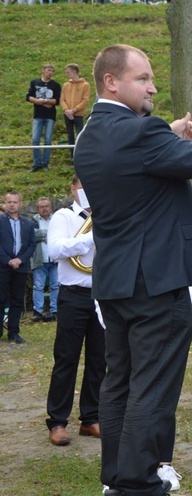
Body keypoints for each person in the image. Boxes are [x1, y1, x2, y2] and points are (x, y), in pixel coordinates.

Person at [73, 44, 192, 496]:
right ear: (111, 82)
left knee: (120, 383)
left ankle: (118, 479)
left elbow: (137, 160)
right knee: (151, 388)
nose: (153, 85)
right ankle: (138, 483)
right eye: (143, 78)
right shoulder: (141, 134)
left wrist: (165, 133)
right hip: (156, 283)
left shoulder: (91, 135)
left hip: (116, 283)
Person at [45, 175, 106, 447]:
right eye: (83, 186)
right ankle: (57, 421)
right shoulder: (63, 216)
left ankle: (90, 418)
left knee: (99, 360)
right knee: (66, 359)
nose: (88, 191)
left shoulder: (109, 214)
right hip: (73, 295)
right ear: (73, 188)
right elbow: (55, 250)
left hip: (103, 295)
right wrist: (91, 239)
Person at [0, 191, 36, 344]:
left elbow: (31, 245)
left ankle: (13, 332)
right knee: (1, 299)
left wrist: (20, 259)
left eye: (15, 202)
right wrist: (8, 260)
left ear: (21, 204)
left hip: (20, 267)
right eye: (9, 202)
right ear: (5, 204)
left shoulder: (28, 223)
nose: (12, 204)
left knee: (16, 300)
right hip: (3, 265)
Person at [26, 63, 61, 172]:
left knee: (47, 139)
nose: (50, 72)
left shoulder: (55, 85)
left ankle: (45, 163)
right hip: (38, 115)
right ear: (43, 70)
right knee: (35, 139)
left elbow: (57, 101)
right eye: (48, 70)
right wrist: (37, 101)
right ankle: (36, 163)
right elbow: (28, 97)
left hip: (50, 116)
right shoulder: (35, 82)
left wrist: (45, 101)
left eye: (52, 71)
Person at [31, 197, 59, 322]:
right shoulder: (32, 222)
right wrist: (47, 234)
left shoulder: (57, 220)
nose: (44, 208)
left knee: (56, 286)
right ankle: (38, 311)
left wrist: (40, 234)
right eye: (41, 207)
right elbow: (30, 237)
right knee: (38, 286)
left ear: (51, 207)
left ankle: (55, 310)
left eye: (46, 206)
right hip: (39, 259)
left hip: (55, 259)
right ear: (37, 209)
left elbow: (59, 235)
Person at [60, 63, 91, 158]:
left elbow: (85, 100)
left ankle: (81, 156)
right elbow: (62, 99)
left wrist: (74, 110)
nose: (67, 74)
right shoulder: (66, 85)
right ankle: (72, 157)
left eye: (68, 72)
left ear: (74, 72)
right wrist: (66, 110)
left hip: (78, 114)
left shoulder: (85, 85)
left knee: (79, 135)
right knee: (70, 136)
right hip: (67, 114)